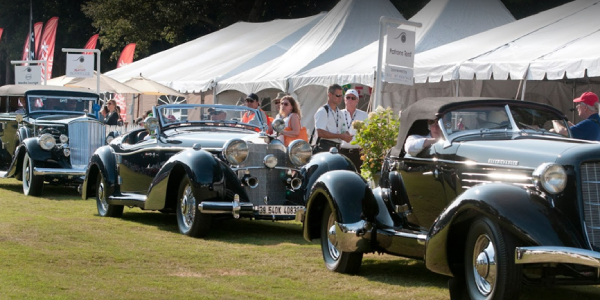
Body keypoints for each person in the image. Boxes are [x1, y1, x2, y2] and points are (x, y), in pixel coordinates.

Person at [313, 84, 352, 153]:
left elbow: (344, 130)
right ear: (330, 95)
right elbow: (320, 132)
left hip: (337, 147)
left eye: (341, 96)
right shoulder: (323, 111)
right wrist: (340, 136)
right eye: (338, 95)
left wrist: (348, 136)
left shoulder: (340, 113)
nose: (340, 98)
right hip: (324, 146)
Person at [339, 89, 368, 168]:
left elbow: (367, 133)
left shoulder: (364, 115)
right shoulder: (338, 114)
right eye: (348, 97)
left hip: (357, 153)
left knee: (357, 176)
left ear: (357, 101)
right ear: (344, 99)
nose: (350, 100)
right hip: (341, 151)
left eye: (353, 98)